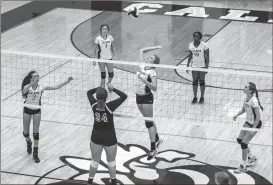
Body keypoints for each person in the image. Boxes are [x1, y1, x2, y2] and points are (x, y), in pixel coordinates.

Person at [21, 71, 73, 163]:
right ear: (31, 78)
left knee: (36, 133)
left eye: (37, 76)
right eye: (34, 76)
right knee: (25, 133)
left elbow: (56, 87)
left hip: (37, 109)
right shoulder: (27, 86)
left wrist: (67, 81)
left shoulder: (41, 86)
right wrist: (30, 84)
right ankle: (28, 142)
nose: (37, 77)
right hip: (27, 109)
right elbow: (24, 91)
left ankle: (35, 153)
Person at [87, 83, 127, 185]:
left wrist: (99, 88)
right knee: (111, 161)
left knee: (94, 161)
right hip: (110, 138)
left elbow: (88, 93)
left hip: (96, 137)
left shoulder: (94, 105)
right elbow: (124, 96)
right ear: (106, 97)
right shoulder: (110, 106)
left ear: (97, 97)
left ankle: (89, 181)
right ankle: (113, 182)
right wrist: (113, 89)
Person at [136, 46, 163, 160]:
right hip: (138, 96)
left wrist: (144, 81)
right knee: (149, 120)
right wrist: (155, 47)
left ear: (154, 62)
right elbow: (142, 50)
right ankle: (157, 139)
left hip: (147, 98)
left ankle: (153, 149)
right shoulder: (142, 65)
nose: (148, 57)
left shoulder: (152, 73)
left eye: (151, 57)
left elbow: (155, 88)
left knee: (149, 123)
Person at [233, 82, 263, 173]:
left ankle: (243, 166)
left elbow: (258, 117)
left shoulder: (254, 101)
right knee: (240, 140)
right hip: (248, 122)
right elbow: (243, 109)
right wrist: (236, 115)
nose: (244, 88)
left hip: (255, 124)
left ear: (250, 90)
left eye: (246, 87)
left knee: (244, 144)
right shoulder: (246, 98)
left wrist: (253, 128)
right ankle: (251, 158)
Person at [187, 31, 210, 104]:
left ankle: (202, 97)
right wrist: (187, 64)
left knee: (202, 82)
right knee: (194, 82)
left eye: (197, 36)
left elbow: (208, 56)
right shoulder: (190, 45)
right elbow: (190, 55)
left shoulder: (204, 45)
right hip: (194, 67)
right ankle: (195, 97)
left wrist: (207, 66)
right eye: (194, 36)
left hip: (202, 66)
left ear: (200, 38)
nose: (195, 38)